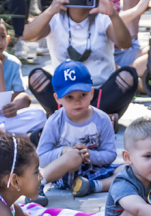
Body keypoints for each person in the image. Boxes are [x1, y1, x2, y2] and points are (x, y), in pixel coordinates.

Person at [23, 0, 138, 119]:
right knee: (36, 76)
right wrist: (51, 10)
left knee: (129, 75)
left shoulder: (103, 18)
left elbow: (125, 44)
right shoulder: (55, 18)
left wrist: (113, 15)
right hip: (66, 93)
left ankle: (66, 116)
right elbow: (28, 36)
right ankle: (101, 118)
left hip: (100, 93)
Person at [36, 61, 118, 199]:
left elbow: (111, 154)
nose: (77, 101)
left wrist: (89, 155)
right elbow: (41, 158)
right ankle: (38, 184)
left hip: (94, 172)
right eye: (69, 97)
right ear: (57, 98)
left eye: (83, 95)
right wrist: (65, 151)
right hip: (63, 173)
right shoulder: (55, 121)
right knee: (74, 156)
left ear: (92, 93)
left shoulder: (102, 119)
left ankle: (92, 186)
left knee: (129, 171)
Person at [0, 15, 33, 127]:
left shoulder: (13, 63)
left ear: (8, 38)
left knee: (39, 115)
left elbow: (21, 94)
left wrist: (14, 106)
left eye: (2, 36)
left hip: (4, 115)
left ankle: (2, 133)